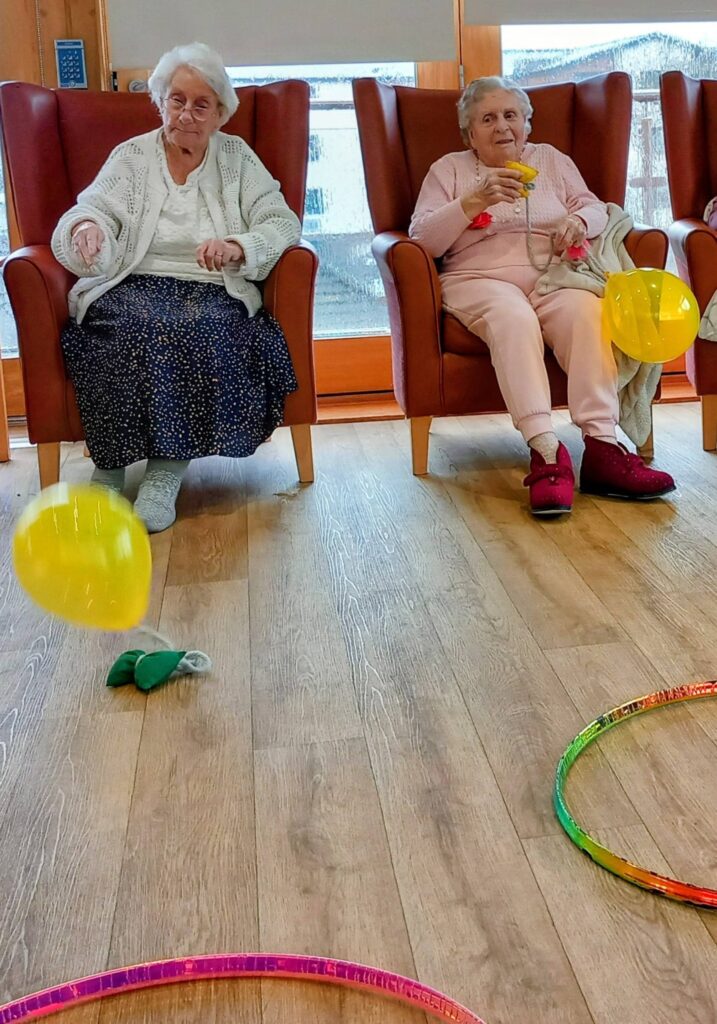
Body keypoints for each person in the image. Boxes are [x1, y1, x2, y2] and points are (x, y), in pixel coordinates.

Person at [52, 42, 301, 532]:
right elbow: (93, 207)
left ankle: (165, 474)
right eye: (176, 100)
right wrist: (87, 230)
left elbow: (280, 221)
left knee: (200, 326)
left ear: (220, 113)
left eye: (200, 104)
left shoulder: (236, 159)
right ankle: (109, 470)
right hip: (131, 279)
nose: (187, 114)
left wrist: (237, 246)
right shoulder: (132, 157)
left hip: (210, 286)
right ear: (161, 101)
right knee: (127, 327)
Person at [409, 76, 675, 515]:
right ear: (469, 134)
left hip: (555, 274)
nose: (502, 127)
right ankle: (548, 454)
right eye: (487, 119)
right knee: (513, 319)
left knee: (588, 312)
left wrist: (579, 224)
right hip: (479, 278)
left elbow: (592, 205)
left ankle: (603, 447)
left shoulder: (550, 159)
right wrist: (471, 203)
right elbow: (424, 239)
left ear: (527, 125)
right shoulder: (450, 169)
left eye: (511, 116)